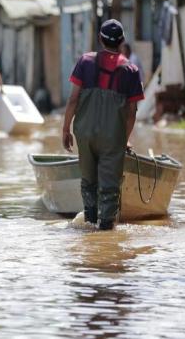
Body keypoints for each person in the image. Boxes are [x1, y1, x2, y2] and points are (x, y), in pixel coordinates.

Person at [62, 19, 144, 230]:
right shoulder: (131, 70)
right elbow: (132, 112)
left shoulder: (85, 62)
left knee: (88, 181)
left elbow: (72, 100)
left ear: (100, 38)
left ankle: (89, 223)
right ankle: (106, 231)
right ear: (122, 41)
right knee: (109, 187)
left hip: (85, 133)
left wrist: (66, 129)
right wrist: (123, 141)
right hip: (113, 137)